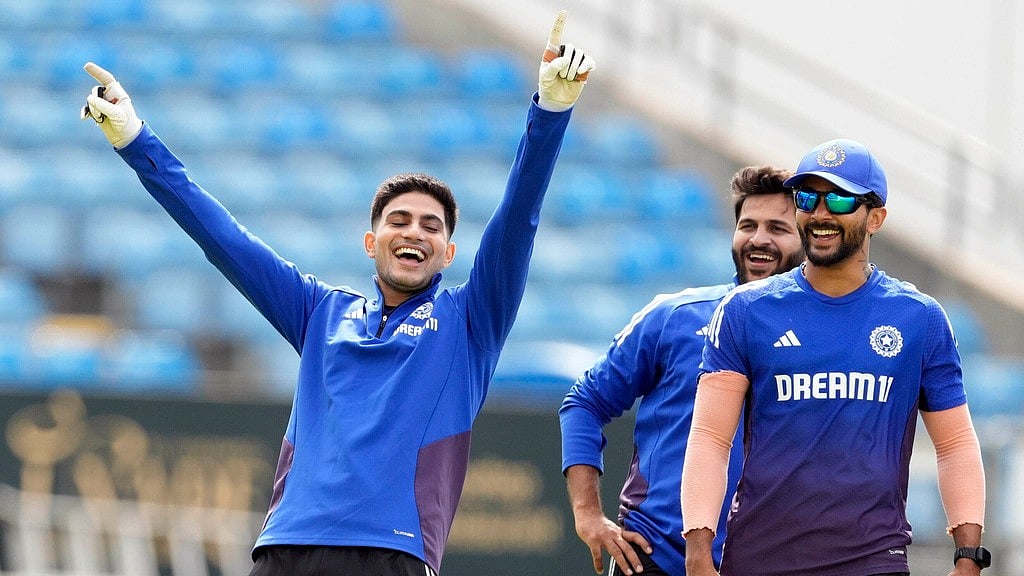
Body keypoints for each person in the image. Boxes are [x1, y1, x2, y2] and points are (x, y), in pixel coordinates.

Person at [80, 11, 594, 576]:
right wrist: (134, 139)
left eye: (431, 226)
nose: (414, 232)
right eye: (399, 220)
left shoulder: (471, 320)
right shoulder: (320, 311)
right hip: (284, 546)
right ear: (372, 241)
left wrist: (550, 113)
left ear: (449, 254)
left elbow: (518, 219)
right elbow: (221, 237)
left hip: (390, 551)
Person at [681, 139, 989, 576]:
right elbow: (711, 439)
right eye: (807, 197)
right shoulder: (745, 311)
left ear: (876, 217)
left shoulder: (919, 318)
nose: (821, 213)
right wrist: (698, 551)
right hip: (759, 560)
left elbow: (955, 444)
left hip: (873, 563)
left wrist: (968, 555)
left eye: (840, 198)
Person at [560, 165, 805, 576]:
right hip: (655, 557)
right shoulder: (674, 316)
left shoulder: (826, 339)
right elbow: (585, 402)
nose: (759, 239)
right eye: (748, 225)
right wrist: (587, 515)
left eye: (778, 228)